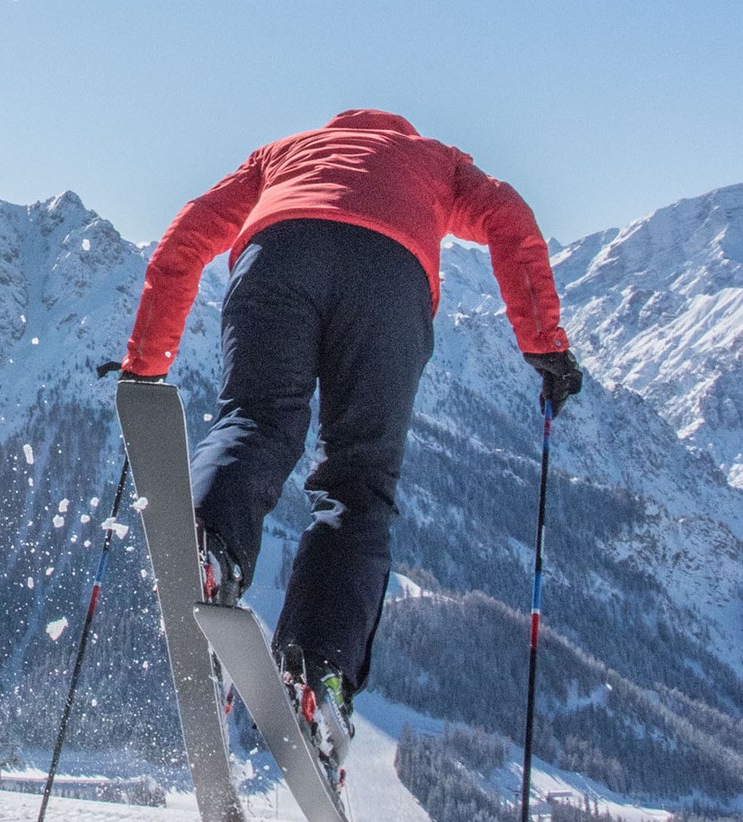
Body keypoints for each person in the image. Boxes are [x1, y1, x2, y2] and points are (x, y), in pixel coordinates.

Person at [120, 109, 584, 765]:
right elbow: (512, 221)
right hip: (389, 278)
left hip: (276, 255)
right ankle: (319, 670)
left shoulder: (284, 153)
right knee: (357, 483)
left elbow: (188, 234)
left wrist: (146, 361)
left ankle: (207, 544)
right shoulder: (438, 161)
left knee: (254, 418)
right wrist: (544, 346)